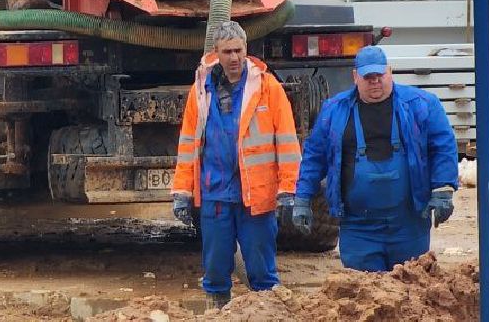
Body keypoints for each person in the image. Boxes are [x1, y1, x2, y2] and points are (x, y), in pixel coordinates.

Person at [290, 44, 458, 272]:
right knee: (364, 296)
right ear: (355, 77)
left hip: (408, 225)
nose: (375, 81)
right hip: (359, 228)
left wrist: (443, 190)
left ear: (390, 72)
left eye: (380, 75)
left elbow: (443, 146)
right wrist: (302, 199)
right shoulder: (334, 111)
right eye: (368, 76)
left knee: (409, 289)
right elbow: (314, 157)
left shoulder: (421, 105)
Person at [170, 21, 300, 311]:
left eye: (238, 50)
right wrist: (181, 190)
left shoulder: (267, 88)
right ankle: (216, 310)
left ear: (246, 50)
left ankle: (268, 313)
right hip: (215, 193)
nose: (234, 58)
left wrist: (288, 188)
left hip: (256, 195)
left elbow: (288, 143)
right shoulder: (201, 90)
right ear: (216, 53)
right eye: (227, 51)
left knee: (261, 268)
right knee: (215, 268)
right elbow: (189, 142)